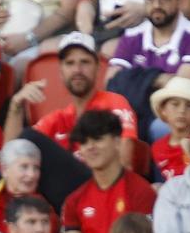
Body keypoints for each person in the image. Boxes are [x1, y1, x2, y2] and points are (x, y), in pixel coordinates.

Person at [21, 32, 136, 164]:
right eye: (70, 63)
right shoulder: (60, 118)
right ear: (61, 71)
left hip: (102, 176)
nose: (77, 70)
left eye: (85, 62)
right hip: (71, 176)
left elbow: (124, 162)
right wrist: (16, 107)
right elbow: (16, 153)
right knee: (27, 139)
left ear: (98, 67)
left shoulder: (114, 103)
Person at [61, 110, 156, 233]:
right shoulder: (74, 200)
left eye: (97, 139)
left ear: (117, 142)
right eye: (84, 142)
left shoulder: (140, 192)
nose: (90, 147)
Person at [106, 0, 190, 89]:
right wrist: (159, 79)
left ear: (180, 0)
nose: (156, 5)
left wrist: (132, 79)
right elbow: (111, 82)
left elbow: (182, 87)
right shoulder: (132, 34)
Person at [146, 75, 190, 182]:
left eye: (189, 106)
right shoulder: (157, 148)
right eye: (175, 104)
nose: (182, 110)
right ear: (163, 111)